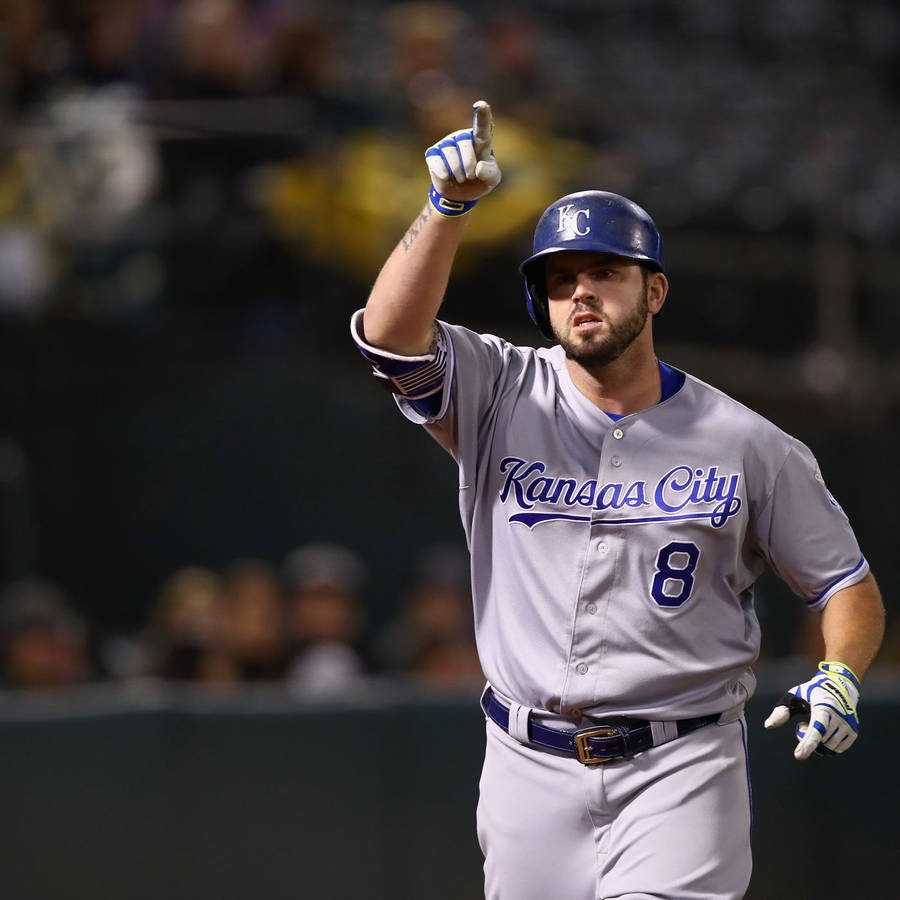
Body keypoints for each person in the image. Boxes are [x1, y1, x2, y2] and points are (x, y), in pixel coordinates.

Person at [350, 101, 885, 900]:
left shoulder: (747, 442)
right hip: (525, 765)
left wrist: (841, 671)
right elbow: (392, 339)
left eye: (605, 271)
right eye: (561, 279)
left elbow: (845, 584)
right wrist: (444, 209)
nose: (582, 292)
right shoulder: (501, 389)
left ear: (655, 291)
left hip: (681, 763)